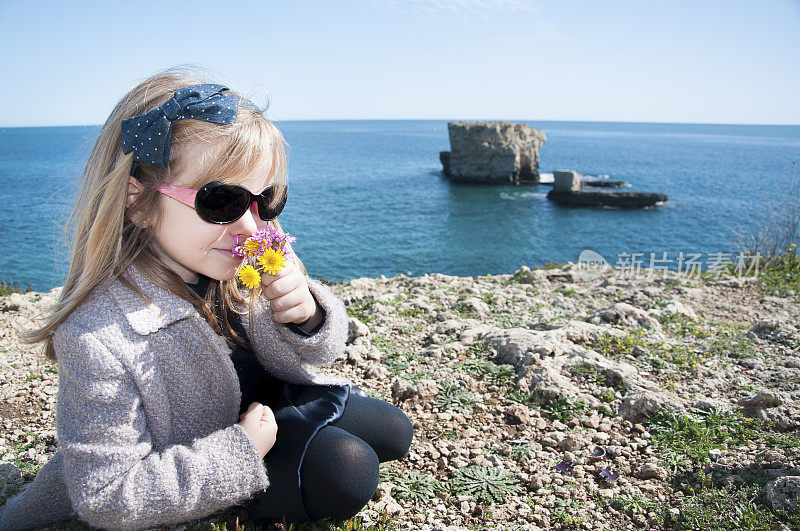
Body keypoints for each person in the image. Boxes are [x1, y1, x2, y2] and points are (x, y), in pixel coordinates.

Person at [0, 66, 413, 530]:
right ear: (137, 200)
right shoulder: (98, 335)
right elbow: (107, 496)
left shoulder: (236, 261)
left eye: (266, 200)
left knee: (395, 431)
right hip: (203, 453)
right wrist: (241, 452)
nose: (251, 228)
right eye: (220, 202)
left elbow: (316, 350)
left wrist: (306, 316)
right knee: (347, 470)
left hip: (267, 403)